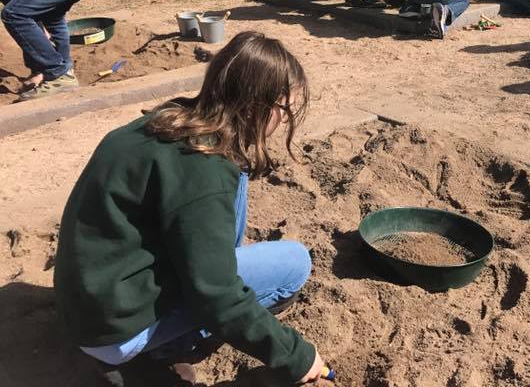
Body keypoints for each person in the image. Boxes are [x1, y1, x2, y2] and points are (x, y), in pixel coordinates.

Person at [54, 32, 334, 387]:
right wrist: (297, 356)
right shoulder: (205, 169)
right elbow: (218, 297)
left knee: (239, 178)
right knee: (294, 263)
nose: (282, 121)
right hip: (114, 332)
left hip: (86, 304)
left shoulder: (159, 123)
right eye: (283, 109)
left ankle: (154, 338)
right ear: (256, 106)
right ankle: (160, 350)